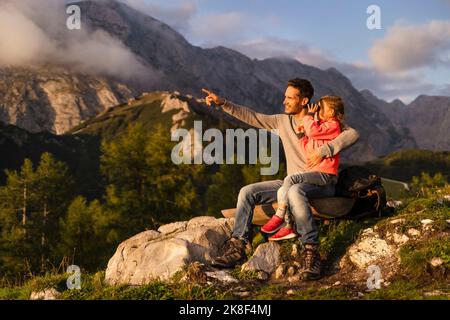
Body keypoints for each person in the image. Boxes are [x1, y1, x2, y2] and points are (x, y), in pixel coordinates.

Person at [202, 78, 359, 280]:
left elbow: (353, 133)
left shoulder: (320, 123)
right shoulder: (282, 121)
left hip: (320, 183)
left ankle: (311, 251)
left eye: (289, 98)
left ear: (304, 101)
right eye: (285, 97)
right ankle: (238, 245)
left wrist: (324, 150)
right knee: (247, 192)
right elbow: (253, 117)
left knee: (296, 190)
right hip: (290, 181)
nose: (284, 101)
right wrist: (223, 103)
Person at [262, 96, 345, 242]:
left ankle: (280, 215)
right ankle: (289, 225)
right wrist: (301, 135)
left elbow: (313, 131)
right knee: (286, 189)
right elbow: (307, 150)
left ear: (331, 111)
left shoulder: (333, 126)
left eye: (320, 108)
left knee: (291, 178)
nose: (317, 110)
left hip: (325, 174)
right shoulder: (321, 127)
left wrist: (308, 116)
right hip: (314, 172)